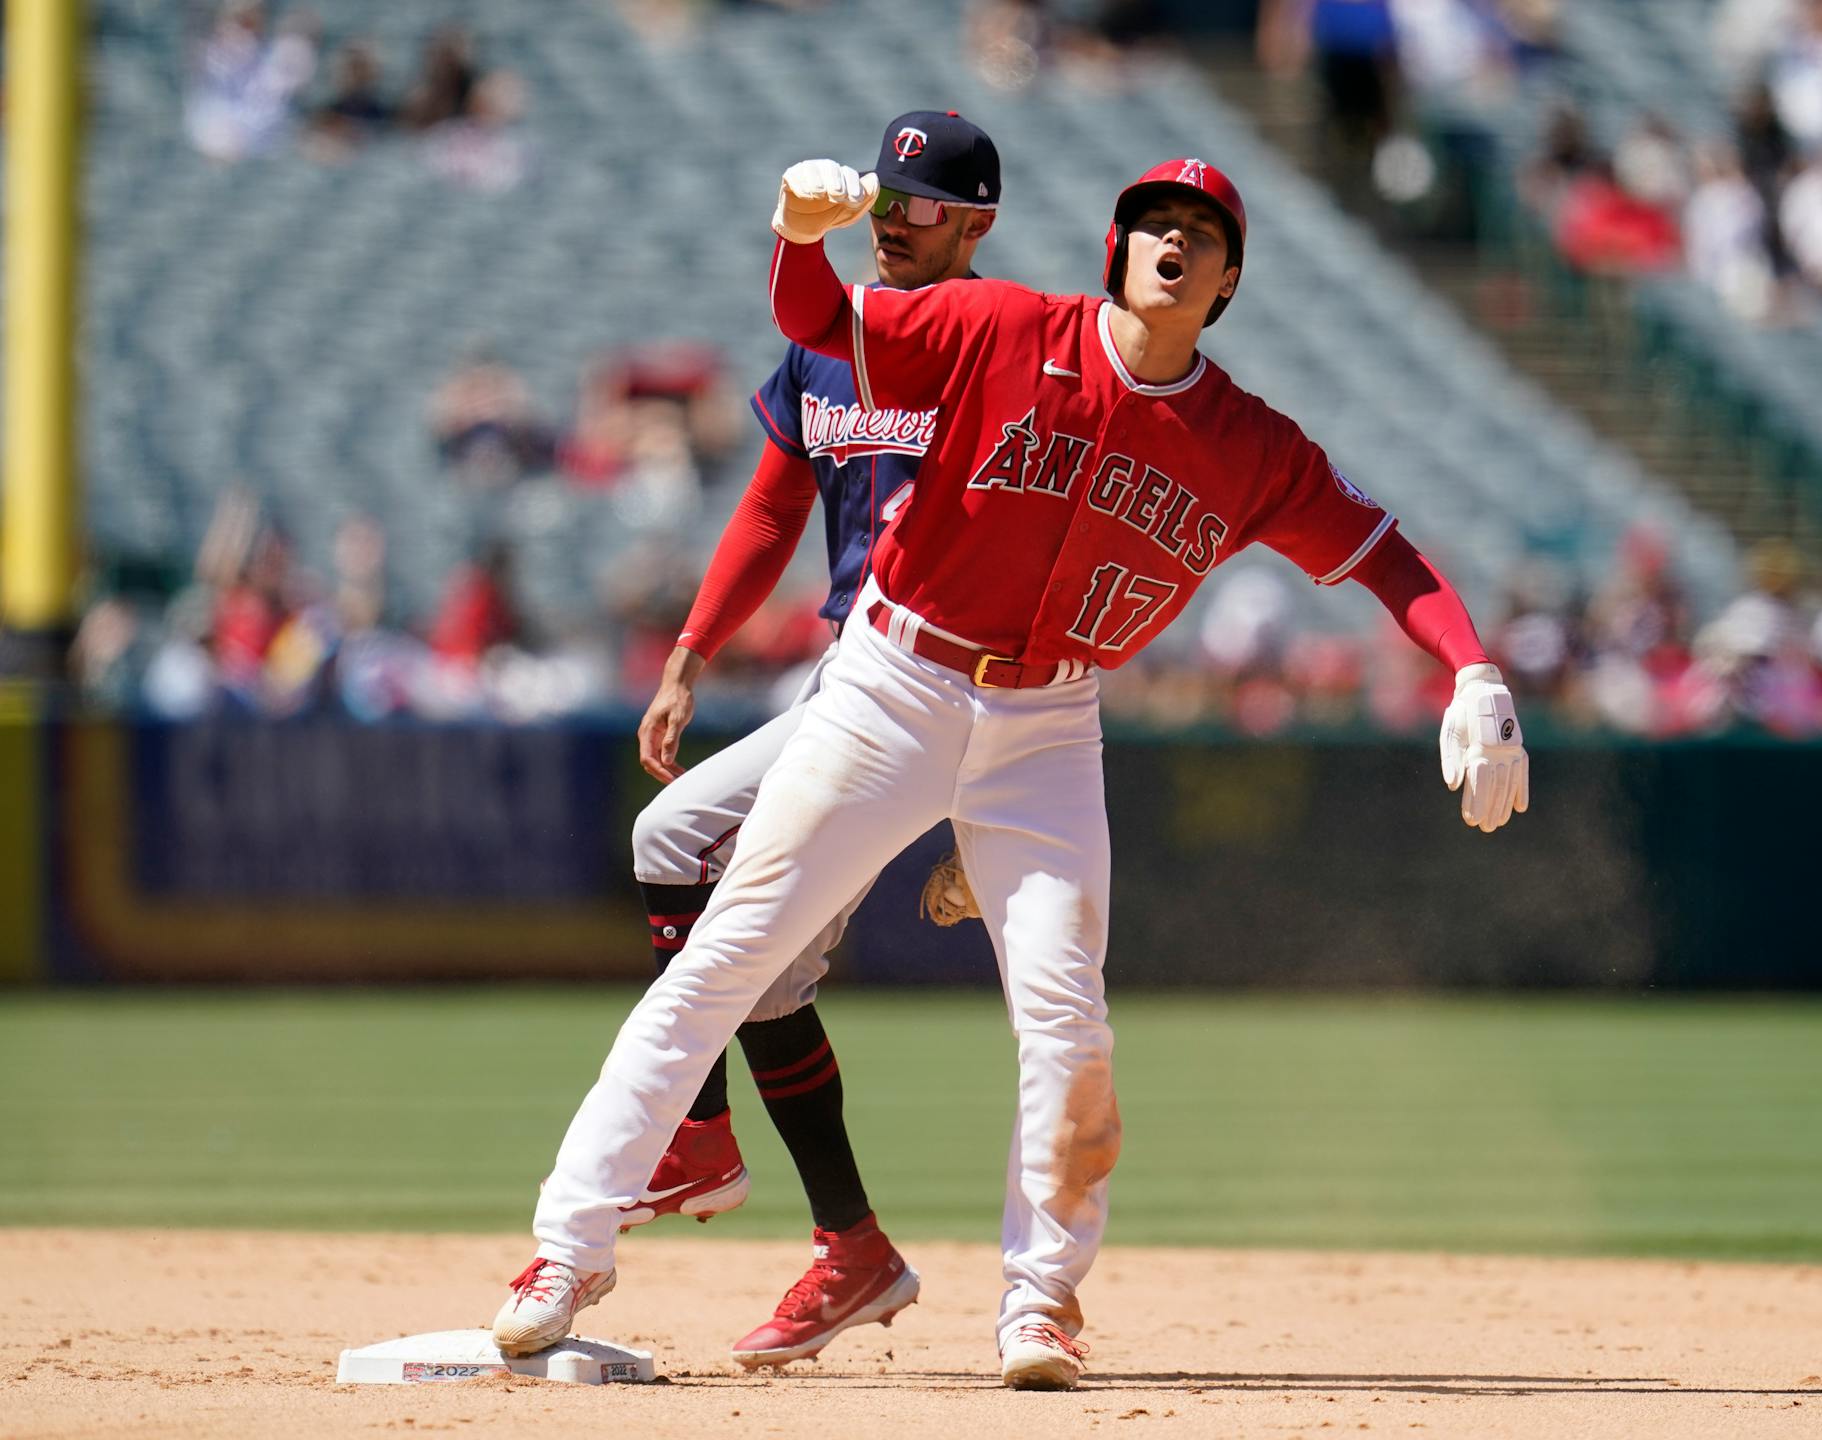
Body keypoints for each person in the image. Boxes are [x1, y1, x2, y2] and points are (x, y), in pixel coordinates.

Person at [489, 149, 1529, 1391]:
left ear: (1229, 279)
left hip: (1048, 726)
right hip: (892, 682)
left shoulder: (1249, 445)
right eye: (1153, 223)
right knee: (727, 954)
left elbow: (1385, 556)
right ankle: (566, 1247)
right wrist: (795, 234)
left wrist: (1473, 669)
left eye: (1199, 231)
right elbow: (818, 324)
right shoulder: (1002, 326)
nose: (1172, 243)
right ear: (1119, 247)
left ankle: (1039, 1303)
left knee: (1067, 1018)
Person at [601, 112, 1002, 1371]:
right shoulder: (834, 351)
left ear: (978, 222)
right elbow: (776, 503)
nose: (891, 218)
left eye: (920, 204)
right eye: (883, 198)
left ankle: (704, 1138)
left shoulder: (1001, 349)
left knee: (674, 837)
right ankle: (852, 1247)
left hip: (953, 684)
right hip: (850, 676)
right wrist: (691, 651)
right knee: (761, 969)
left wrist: (980, 807)